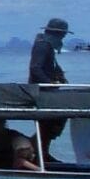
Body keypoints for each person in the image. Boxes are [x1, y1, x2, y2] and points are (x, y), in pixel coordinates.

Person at [29, 17, 71, 150]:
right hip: (41, 91)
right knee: (50, 123)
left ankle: (44, 152)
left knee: (50, 124)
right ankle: (39, 152)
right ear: (56, 34)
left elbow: (52, 66)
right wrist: (50, 83)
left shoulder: (49, 46)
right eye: (62, 35)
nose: (63, 38)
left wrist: (60, 75)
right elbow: (35, 68)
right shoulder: (43, 44)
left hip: (48, 90)